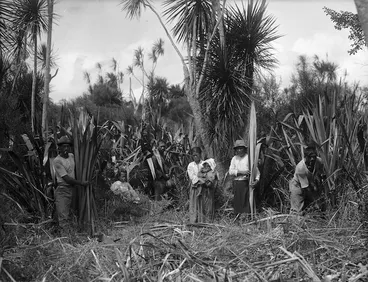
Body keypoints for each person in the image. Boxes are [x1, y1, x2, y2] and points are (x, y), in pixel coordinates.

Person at [53, 136, 89, 231]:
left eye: (67, 146)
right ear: (59, 148)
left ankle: (73, 234)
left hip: (73, 189)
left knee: (72, 214)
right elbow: (67, 179)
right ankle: (65, 239)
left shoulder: (72, 156)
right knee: (63, 216)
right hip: (63, 190)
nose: (66, 149)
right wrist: (82, 183)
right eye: (63, 146)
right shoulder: (57, 161)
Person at [289, 144, 325, 214]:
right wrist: (315, 200)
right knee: (297, 209)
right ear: (305, 157)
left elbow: (321, 173)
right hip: (298, 185)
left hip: (310, 183)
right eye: (310, 157)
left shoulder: (319, 161)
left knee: (312, 206)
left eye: (314, 157)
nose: (312, 159)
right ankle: (294, 221)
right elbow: (306, 187)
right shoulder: (300, 168)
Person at [229, 139, 260, 216]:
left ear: (244, 149)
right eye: (238, 149)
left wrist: (256, 181)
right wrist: (241, 172)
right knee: (237, 201)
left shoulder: (249, 158)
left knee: (246, 201)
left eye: (241, 148)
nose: (239, 150)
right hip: (237, 183)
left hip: (246, 183)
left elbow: (257, 172)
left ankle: (247, 217)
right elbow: (231, 171)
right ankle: (238, 218)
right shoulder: (234, 159)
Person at [187, 148, 217, 223]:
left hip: (205, 188)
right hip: (195, 187)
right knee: (194, 204)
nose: (195, 156)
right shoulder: (190, 165)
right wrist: (200, 179)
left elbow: (212, 172)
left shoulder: (205, 163)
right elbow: (192, 177)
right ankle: (194, 221)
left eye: (197, 154)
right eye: (193, 155)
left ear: (200, 154)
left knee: (204, 204)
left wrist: (206, 179)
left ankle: (204, 221)